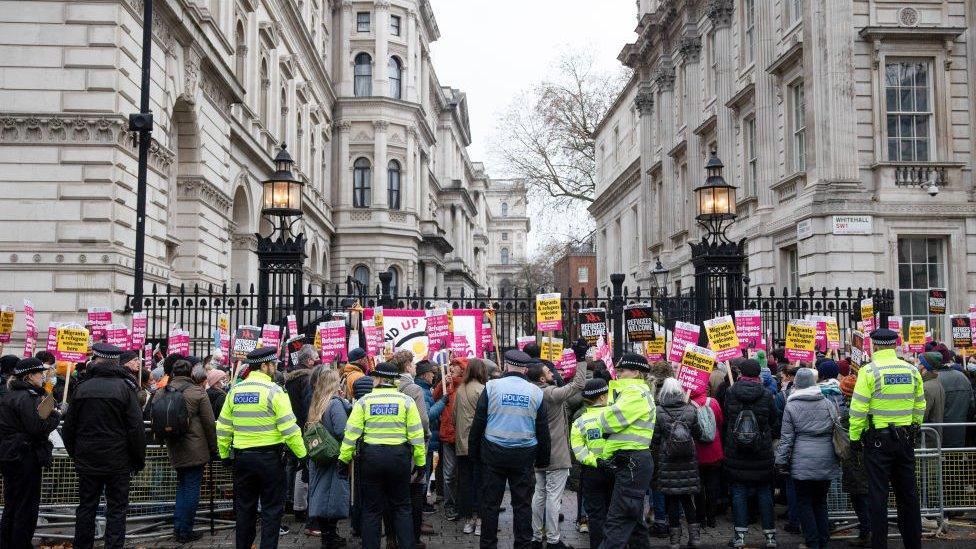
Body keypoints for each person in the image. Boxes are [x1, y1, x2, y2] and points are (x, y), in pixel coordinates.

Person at [217, 346, 308, 549]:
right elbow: (289, 429)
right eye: (273, 365)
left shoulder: (235, 390)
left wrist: (224, 454)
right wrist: (303, 455)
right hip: (270, 460)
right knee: (271, 511)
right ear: (264, 366)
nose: (275, 368)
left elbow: (223, 427)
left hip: (242, 459)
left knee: (244, 510)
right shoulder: (275, 392)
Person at [63, 343, 146, 549]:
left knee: (86, 507)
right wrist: (137, 460)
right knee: (116, 509)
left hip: (88, 459)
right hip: (118, 460)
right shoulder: (125, 388)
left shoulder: (82, 387)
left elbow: (69, 428)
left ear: (96, 361)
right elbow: (136, 429)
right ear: (116, 362)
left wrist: (76, 454)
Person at [849, 328, 925, 549]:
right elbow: (920, 405)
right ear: (895, 344)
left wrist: (855, 438)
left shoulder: (869, 371)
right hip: (904, 439)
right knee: (908, 496)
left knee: (878, 496)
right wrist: (914, 428)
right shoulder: (911, 370)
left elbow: (858, 409)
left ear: (874, 345)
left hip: (878, 441)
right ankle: (913, 544)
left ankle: (879, 544)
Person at [337, 361, 426, 549]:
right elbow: (417, 435)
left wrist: (343, 460)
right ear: (394, 381)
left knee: (371, 510)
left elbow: (351, 434)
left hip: (371, 459)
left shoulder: (364, 402)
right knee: (402, 507)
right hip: (399, 459)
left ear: (379, 379)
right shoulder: (406, 402)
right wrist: (420, 463)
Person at [468, 349, 550, 549]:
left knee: (490, 505)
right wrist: (542, 460)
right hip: (523, 455)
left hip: (493, 453)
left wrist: (474, 453)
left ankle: (488, 545)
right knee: (522, 505)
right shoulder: (536, 392)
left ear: (505, 365)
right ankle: (523, 544)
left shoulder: (491, 387)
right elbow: (542, 430)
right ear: (525, 369)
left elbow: (478, 422)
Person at [593, 352, 656, 549]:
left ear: (636, 373)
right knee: (633, 521)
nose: (617, 374)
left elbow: (608, 422)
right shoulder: (632, 392)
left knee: (618, 522)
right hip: (632, 461)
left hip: (632, 461)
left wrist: (601, 417)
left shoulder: (634, 393)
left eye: (622, 371)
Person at [0, 357, 61, 548]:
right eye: (39, 373)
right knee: (25, 507)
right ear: (29, 376)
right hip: (25, 456)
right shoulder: (26, 397)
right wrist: (55, 417)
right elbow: (36, 427)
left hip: (12, 455)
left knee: (13, 504)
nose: (43, 377)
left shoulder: (10, 395)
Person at [774, 368, 839, 549]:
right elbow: (836, 428)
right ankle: (823, 540)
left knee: (804, 502)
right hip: (825, 457)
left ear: (797, 384)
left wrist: (780, 461)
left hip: (801, 459)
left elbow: (786, 438)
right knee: (820, 501)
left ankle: (812, 542)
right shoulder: (827, 403)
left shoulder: (791, 405)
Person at [527, 354, 585, 549]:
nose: (552, 373)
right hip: (556, 453)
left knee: (539, 493)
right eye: (549, 372)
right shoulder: (551, 393)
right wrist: (581, 359)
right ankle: (553, 540)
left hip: (537, 451)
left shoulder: (530, 392)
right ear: (542, 378)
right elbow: (578, 384)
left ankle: (536, 537)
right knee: (553, 497)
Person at [723, 358, 779, 549]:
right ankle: (770, 537)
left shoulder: (731, 393)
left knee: (738, 492)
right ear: (758, 374)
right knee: (764, 492)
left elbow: (726, 417)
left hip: (736, 451)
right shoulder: (766, 394)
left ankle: (739, 537)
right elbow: (773, 419)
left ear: (741, 373)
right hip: (761, 451)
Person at [164, 358, 219, 543]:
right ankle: (185, 530)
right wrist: (214, 449)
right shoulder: (197, 392)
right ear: (190, 373)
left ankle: (178, 528)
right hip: (195, 449)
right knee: (191, 489)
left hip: (174, 446)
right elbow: (209, 424)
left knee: (182, 487)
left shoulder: (162, 391)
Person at [653, 378, 704, 549]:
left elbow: (655, 438)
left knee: (673, 501)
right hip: (688, 460)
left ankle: (674, 541)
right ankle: (695, 538)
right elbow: (698, 433)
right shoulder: (690, 409)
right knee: (688, 499)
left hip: (668, 460)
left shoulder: (658, 410)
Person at [305, 367, 350, 547]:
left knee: (320, 495)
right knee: (332, 497)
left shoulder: (316, 403)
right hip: (334, 457)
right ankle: (330, 538)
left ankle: (327, 535)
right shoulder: (335, 403)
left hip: (319, 456)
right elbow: (341, 430)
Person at [390, 350, 431, 546]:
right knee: (415, 491)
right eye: (413, 364)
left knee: (392, 495)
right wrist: (426, 435)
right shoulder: (414, 389)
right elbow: (423, 420)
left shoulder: (391, 386)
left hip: (392, 447)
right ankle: (413, 538)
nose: (415, 367)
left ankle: (392, 538)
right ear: (407, 366)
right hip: (413, 447)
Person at [570, 378, 611, 548]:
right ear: (602, 397)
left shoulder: (580, 421)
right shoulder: (615, 416)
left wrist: (596, 461)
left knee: (595, 515)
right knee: (614, 514)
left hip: (592, 472)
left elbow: (579, 451)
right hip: (615, 470)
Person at [455, 358, 487, 535]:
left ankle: (468, 520)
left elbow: (454, 416)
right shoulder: (484, 390)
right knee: (481, 483)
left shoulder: (460, 390)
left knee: (465, 483)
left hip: (461, 443)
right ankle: (480, 521)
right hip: (480, 444)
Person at [839, 373, 872, 547]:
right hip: (869, 453)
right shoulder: (870, 404)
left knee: (859, 494)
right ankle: (869, 529)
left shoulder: (851, 410)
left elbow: (851, 428)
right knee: (865, 493)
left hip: (857, 454)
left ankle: (867, 530)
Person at [432, 357, 465, 521]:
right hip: (448, 435)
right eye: (450, 365)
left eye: (455, 366)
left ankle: (462, 504)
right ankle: (449, 505)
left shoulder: (465, 386)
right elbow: (434, 398)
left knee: (463, 473)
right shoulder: (447, 385)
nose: (451, 368)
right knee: (449, 474)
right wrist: (441, 384)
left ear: (463, 369)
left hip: (463, 437)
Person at [690, 384, 724, 529]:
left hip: (696, 451)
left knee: (698, 487)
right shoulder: (713, 402)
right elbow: (720, 422)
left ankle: (700, 517)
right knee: (713, 486)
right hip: (714, 450)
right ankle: (712, 518)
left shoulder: (688, 404)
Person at [930, 350, 975, 448]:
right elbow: (971, 406)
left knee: (938, 462)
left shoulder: (932, 380)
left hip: (936, 435)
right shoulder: (962, 377)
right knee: (955, 461)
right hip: (959, 433)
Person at [917, 352, 945, 446]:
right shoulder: (936, 383)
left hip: (926, 440)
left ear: (925, 367)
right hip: (933, 437)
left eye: (920, 363)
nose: (918, 366)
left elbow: (922, 416)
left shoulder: (926, 388)